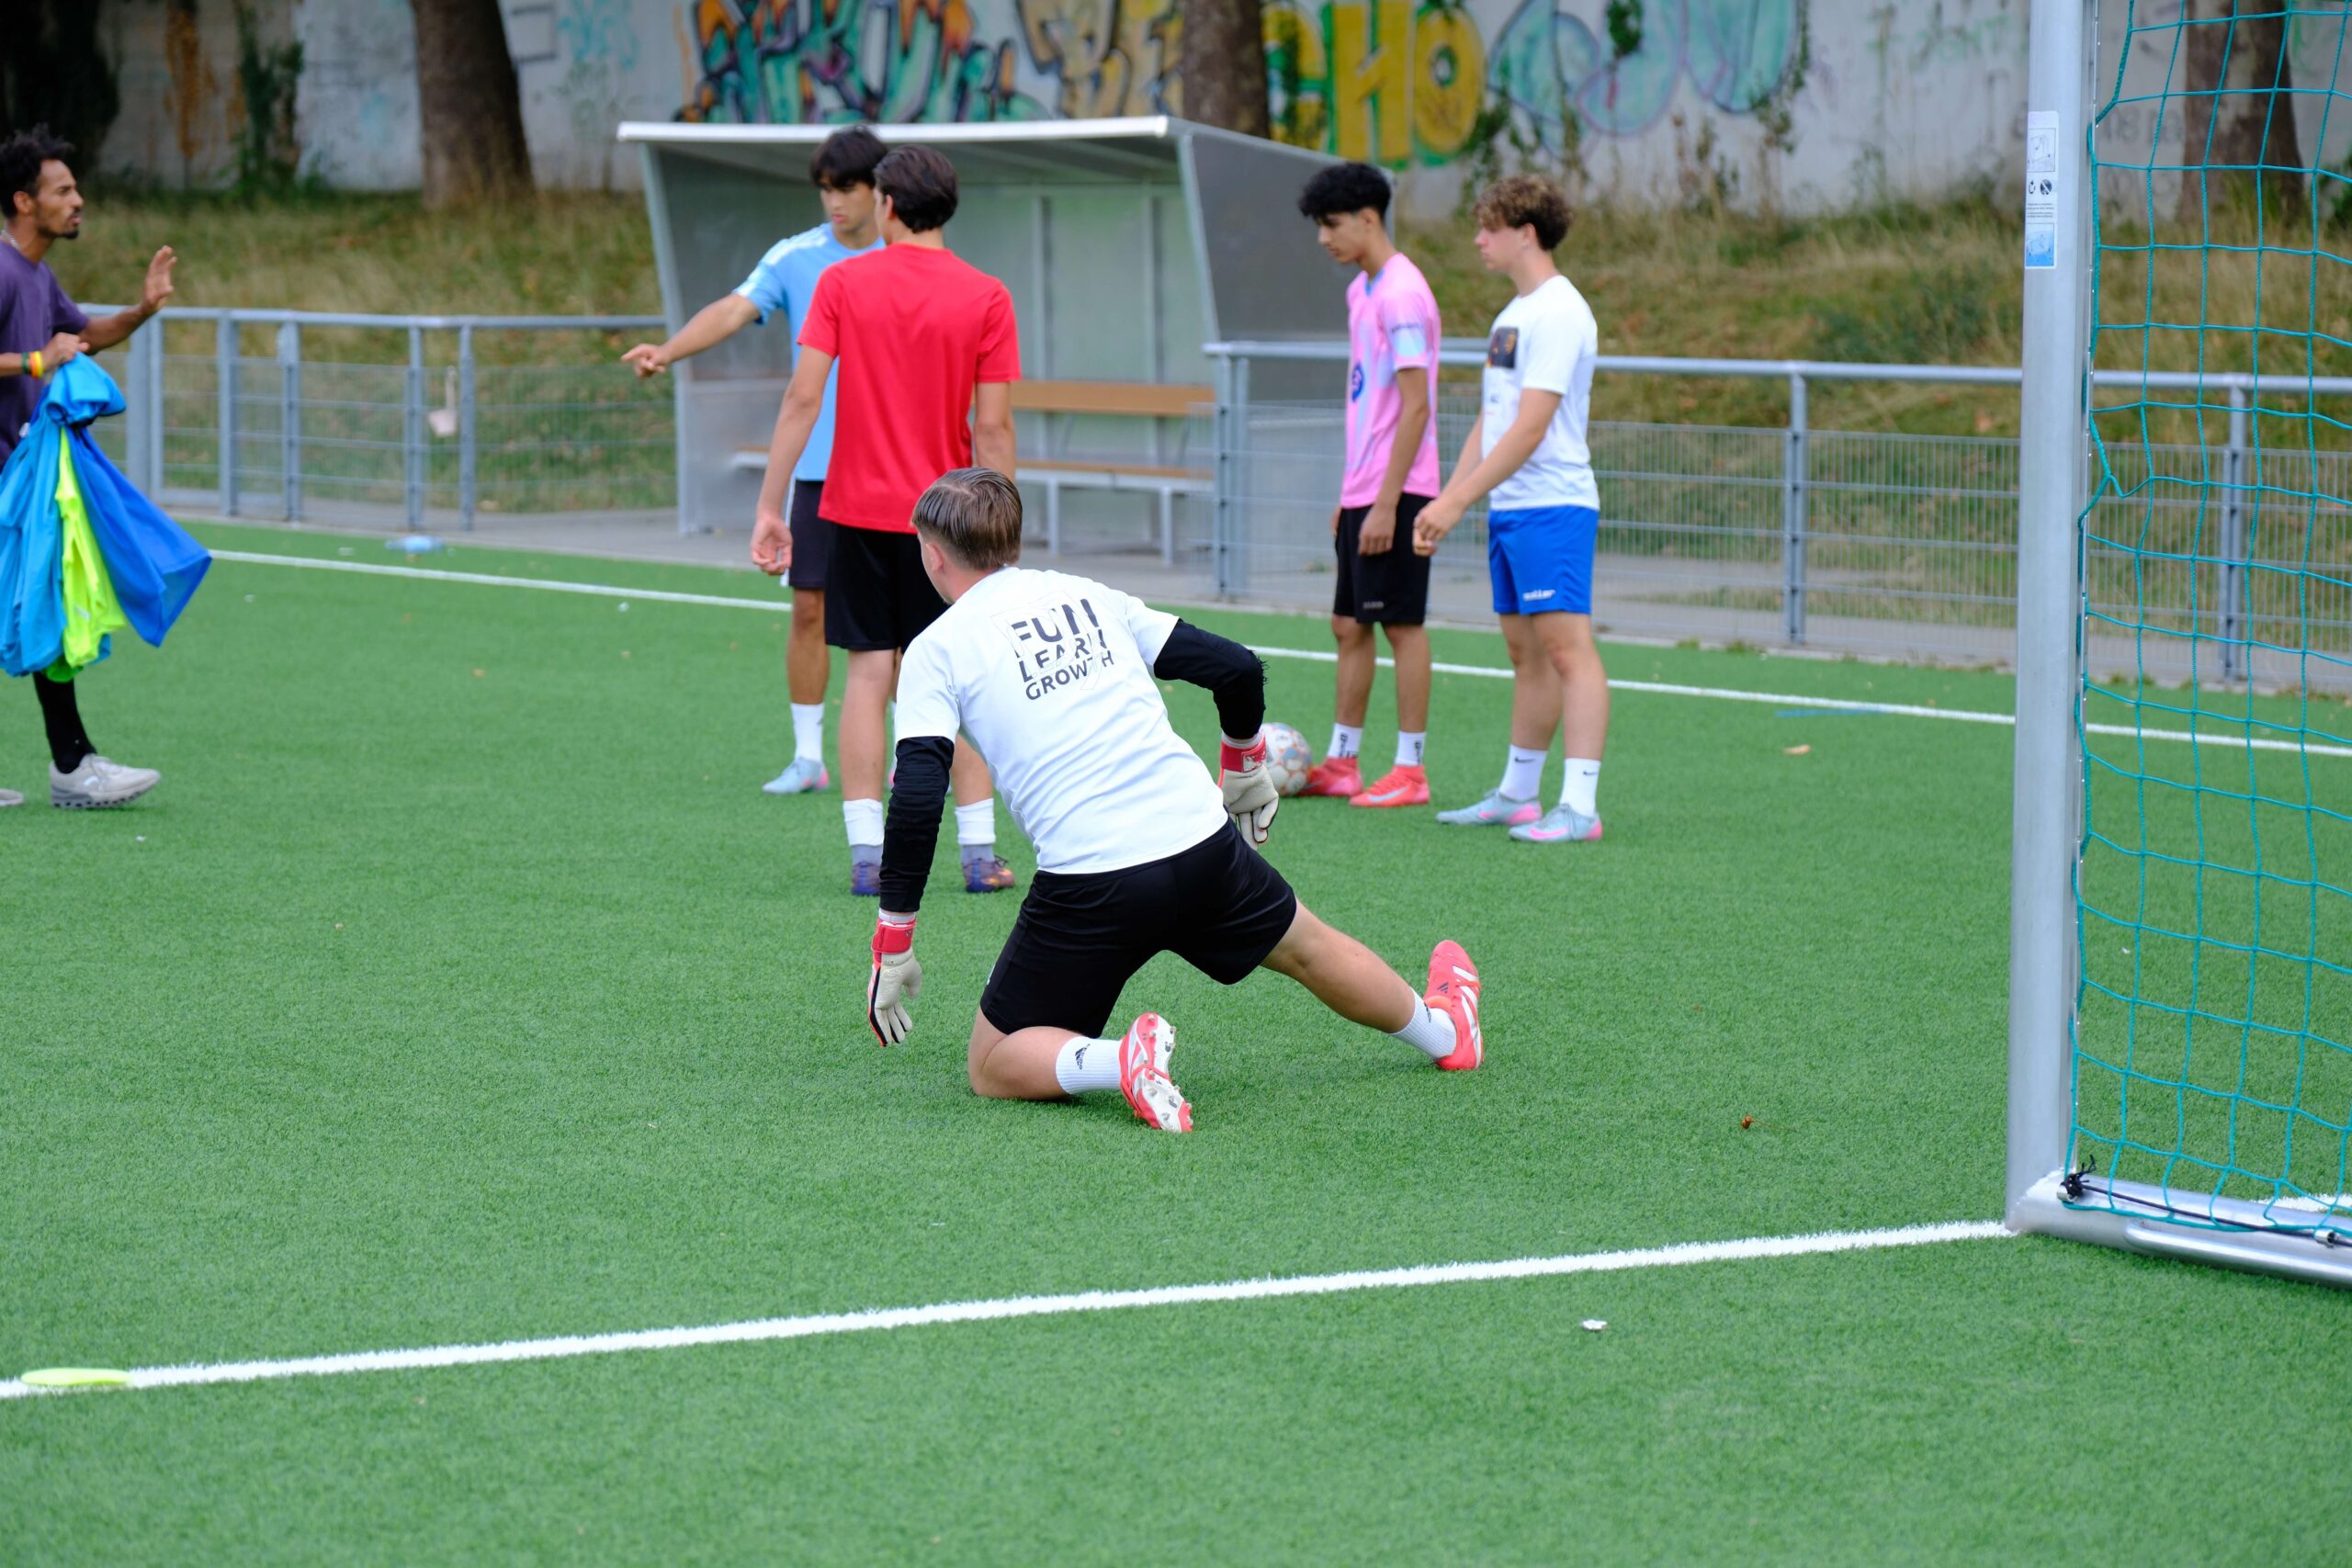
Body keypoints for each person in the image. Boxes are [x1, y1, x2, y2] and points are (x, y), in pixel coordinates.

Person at [860, 468, 1485, 1133]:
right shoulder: (1089, 594)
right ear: (1012, 541)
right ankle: (1446, 1033)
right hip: (1201, 843)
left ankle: (1122, 1060)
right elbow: (1236, 667)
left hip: (1093, 879)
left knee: (991, 1063)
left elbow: (920, 794)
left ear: (933, 554)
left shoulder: (935, 648)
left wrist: (894, 939)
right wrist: (1243, 766)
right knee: (1311, 947)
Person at [752, 145, 1015, 897]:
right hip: (950, 525)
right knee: (961, 684)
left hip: (856, 513)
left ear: (888, 205)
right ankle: (979, 854)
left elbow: (803, 399)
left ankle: (869, 856)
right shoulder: (987, 295)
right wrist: (1002, 533)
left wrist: (771, 505)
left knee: (869, 675)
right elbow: (993, 428)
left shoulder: (842, 282)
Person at [622, 126, 887, 797]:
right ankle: (808, 758)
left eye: (846, 188)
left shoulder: (907, 257)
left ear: (878, 189)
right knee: (809, 609)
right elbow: (733, 310)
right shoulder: (796, 256)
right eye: (825, 189)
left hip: (893, 470)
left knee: (904, 622)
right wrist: (667, 351)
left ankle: (914, 753)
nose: (834, 202)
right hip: (817, 473)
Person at [1413, 175, 1609, 845]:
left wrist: (1458, 500)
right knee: (1526, 655)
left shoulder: (1560, 312)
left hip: (1554, 506)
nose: (1478, 240)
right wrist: (1449, 497)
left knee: (1568, 652)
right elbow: (1493, 422)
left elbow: (1530, 429)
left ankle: (1580, 807)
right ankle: (1519, 794)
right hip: (1512, 509)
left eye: (1489, 228)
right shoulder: (1513, 315)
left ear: (1526, 233)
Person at [0, 126, 176, 811]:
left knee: (45, 603)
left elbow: (84, 335)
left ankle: (73, 765)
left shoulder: (37, 276)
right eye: (63, 190)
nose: (78, 201)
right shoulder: (2, 270)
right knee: (43, 603)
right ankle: (73, 766)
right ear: (25, 201)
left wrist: (142, 309)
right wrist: (36, 361)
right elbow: (50, 353)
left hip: (18, 476)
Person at [1292, 162, 1442, 810]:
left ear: (1368, 218)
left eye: (1331, 224)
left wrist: (1385, 503)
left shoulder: (1402, 294)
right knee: (1348, 624)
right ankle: (1343, 762)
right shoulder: (1364, 289)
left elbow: (1416, 406)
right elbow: (1369, 402)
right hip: (1366, 489)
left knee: (1400, 625)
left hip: (1399, 491)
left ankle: (1411, 770)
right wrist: (1351, 494)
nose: (1323, 238)